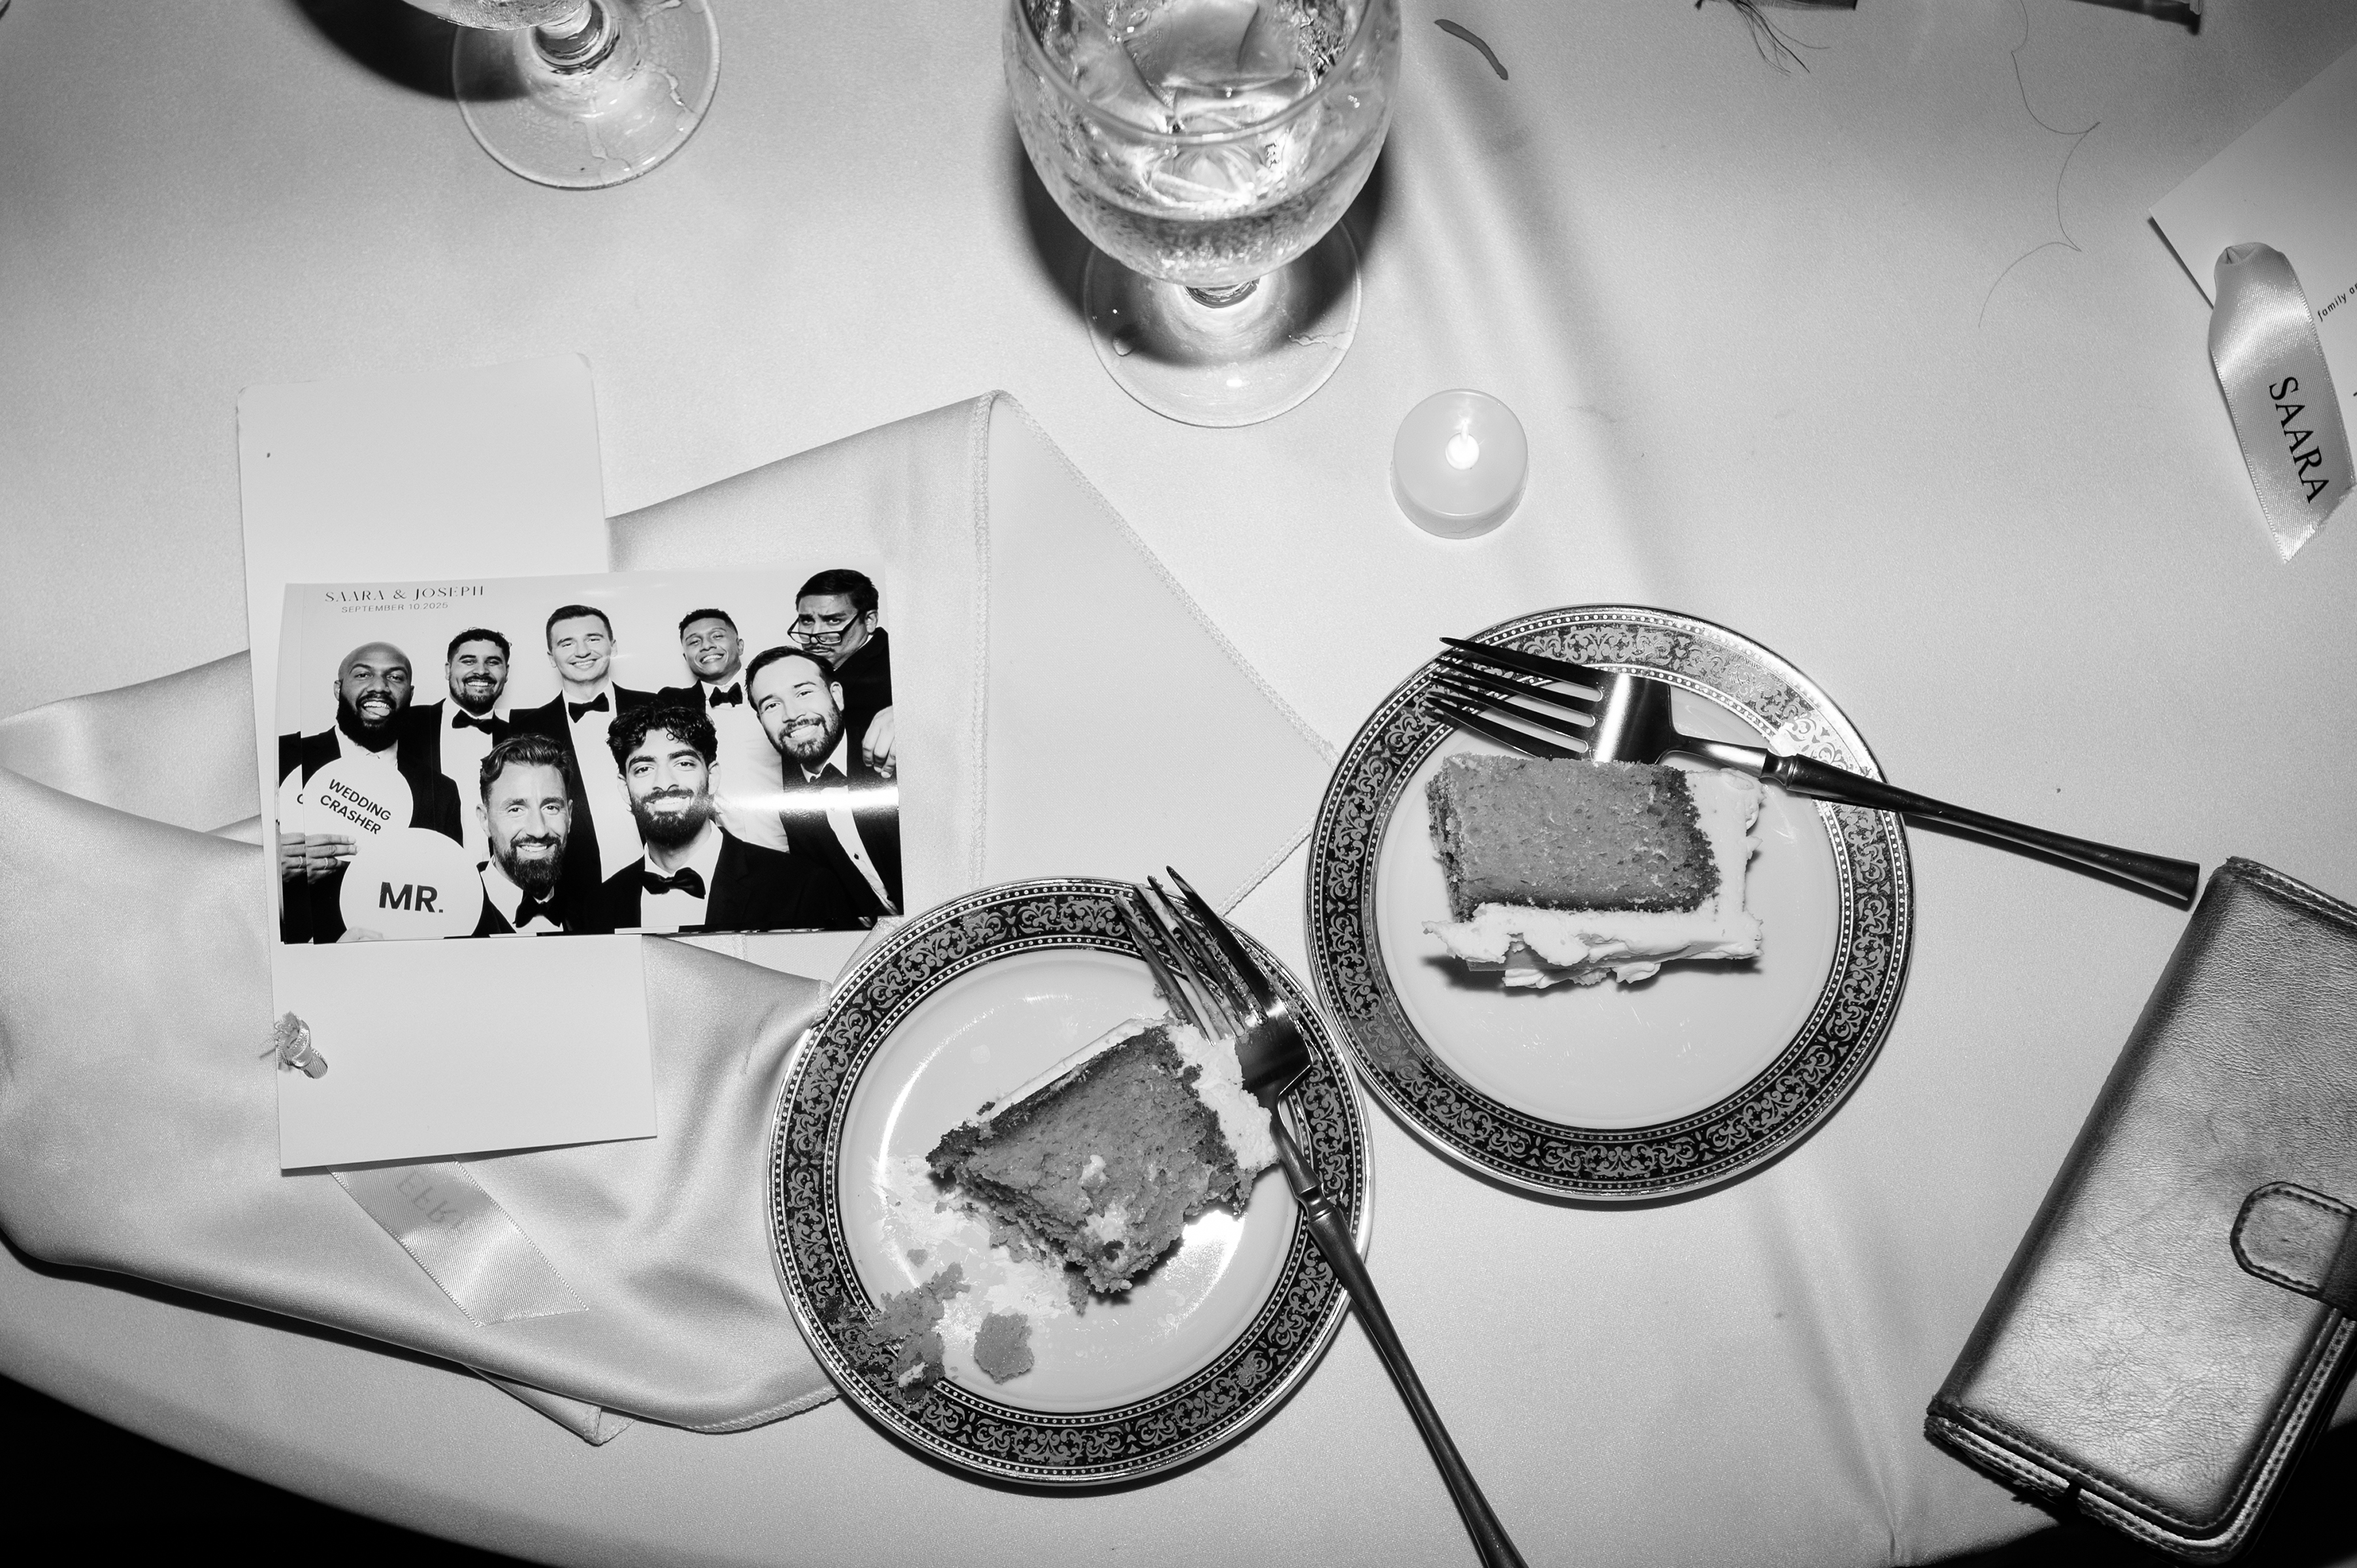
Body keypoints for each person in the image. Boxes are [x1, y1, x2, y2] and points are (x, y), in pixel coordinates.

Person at [595, 704, 863, 934]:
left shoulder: (803, 887)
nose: (664, 783)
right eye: (643, 768)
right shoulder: (598, 906)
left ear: (713, 778)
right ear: (624, 788)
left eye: (684, 763)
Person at [276, 640, 467, 943]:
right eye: (363, 675)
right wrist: (268, 869)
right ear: (338, 689)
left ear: (411, 694)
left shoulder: (441, 792)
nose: (380, 687)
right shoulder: (281, 757)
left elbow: (446, 899)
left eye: (395, 677)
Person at [508, 604, 652, 908]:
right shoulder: (525, 731)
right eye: (567, 643)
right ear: (551, 657)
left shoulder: (656, 709)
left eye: (593, 639)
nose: (582, 651)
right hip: (574, 897)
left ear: (613, 646)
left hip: (661, 879)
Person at [746, 645, 901, 922]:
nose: (791, 714)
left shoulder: (896, 748)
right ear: (760, 721)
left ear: (837, 696)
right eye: (771, 705)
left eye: (804, 692)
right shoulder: (793, 809)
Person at [654, 607, 792, 854]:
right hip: (723, 856)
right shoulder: (671, 706)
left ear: (739, 645)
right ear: (686, 657)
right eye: (694, 642)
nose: (706, 646)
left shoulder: (780, 693)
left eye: (717, 636)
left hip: (796, 845)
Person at [467, 733, 608, 936]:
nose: (538, 830)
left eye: (551, 807)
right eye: (516, 809)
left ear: (569, 816)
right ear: (485, 820)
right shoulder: (454, 911)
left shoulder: (592, 918)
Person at [404, 627, 512, 863]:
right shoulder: (405, 726)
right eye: (468, 661)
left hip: (503, 882)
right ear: (448, 670)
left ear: (506, 672)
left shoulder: (520, 736)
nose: (481, 671)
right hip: (424, 874)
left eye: (493, 662)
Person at [791, 569, 893, 778]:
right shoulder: (799, 670)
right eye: (807, 621)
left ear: (870, 620)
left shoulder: (904, 664)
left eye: (833, 621)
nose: (814, 635)